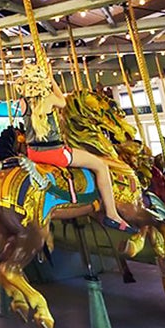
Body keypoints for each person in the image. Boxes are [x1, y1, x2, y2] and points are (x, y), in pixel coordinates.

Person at [15, 63, 136, 234]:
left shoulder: (22, 102)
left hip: (33, 154)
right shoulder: (49, 98)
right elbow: (63, 102)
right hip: (55, 154)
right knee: (101, 166)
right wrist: (52, 79)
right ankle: (112, 213)